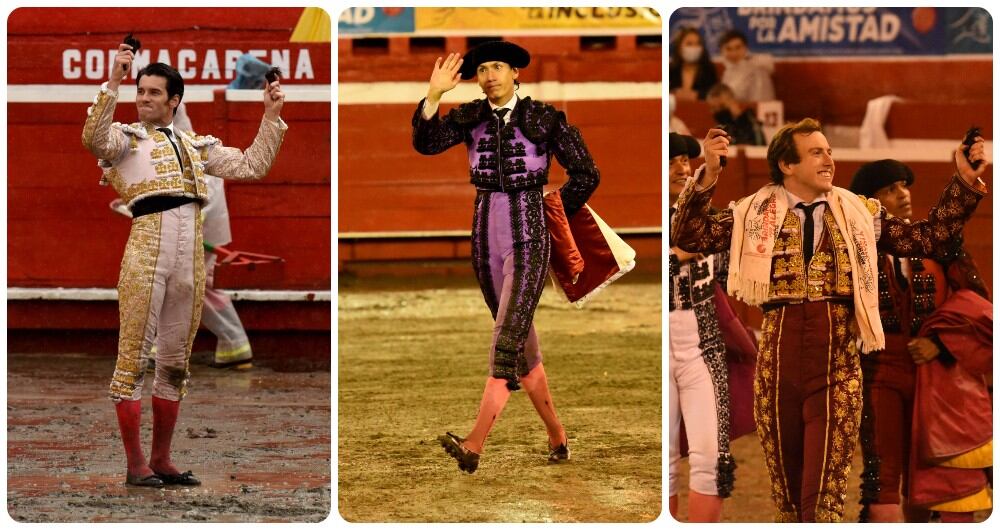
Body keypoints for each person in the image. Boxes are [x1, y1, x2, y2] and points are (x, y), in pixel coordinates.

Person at [670, 119, 988, 521]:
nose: (828, 160)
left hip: (837, 366)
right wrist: (709, 176)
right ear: (788, 165)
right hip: (776, 368)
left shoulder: (859, 213)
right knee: (788, 500)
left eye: (830, 152)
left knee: (822, 502)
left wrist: (961, 181)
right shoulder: (752, 212)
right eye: (817, 152)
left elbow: (930, 239)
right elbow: (688, 236)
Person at [82, 41, 286, 487]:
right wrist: (114, 80)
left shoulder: (197, 146)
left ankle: (162, 460)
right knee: (133, 359)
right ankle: (136, 465)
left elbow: (252, 166)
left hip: (189, 256)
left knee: (175, 361)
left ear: (175, 100)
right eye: (141, 91)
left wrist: (270, 115)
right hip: (146, 252)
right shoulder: (125, 140)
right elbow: (92, 137)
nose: (144, 99)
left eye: (154, 93)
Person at [411, 40, 600, 473]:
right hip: (484, 232)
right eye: (482, 70)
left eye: (498, 67)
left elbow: (587, 173)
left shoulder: (545, 118)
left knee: (507, 338)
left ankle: (474, 444)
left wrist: (551, 211)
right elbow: (426, 144)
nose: (490, 75)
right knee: (522, 346)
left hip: (529, 232)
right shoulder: (469, 116)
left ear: (516, 74)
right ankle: (558, 436)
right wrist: (434, 96)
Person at [848, 160, 992, 522]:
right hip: (877, 368)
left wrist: (941, 346)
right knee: (881, 471)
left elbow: (977, 308)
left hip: (935, 374)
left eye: (904, 186)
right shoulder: (852, 251)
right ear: (870, 202)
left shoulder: (935, 244)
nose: (903, 194)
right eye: (890, 189)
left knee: (929, 472)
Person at [668, 132, 743, 522]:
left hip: (704, 347)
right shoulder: (654, 219)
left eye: (686, 160)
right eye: (673, 161)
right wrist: (672, 256)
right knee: (664, 463)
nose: (682, 167)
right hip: (660, 351)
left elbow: (736, 277)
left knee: (711, 459)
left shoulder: (713, 223)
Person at [718, 30, 775, 103]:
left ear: (745, 48)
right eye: (728, 49)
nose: (734, 53)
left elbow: (760, 103)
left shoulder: (758, 70)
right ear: (721, 51)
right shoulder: (728, 72)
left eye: (738, 48)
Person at [670, 28, 718, 101]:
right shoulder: (671, 69)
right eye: (689, 44)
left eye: (698, 44)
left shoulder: (708, 69)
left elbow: (715, 95)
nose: (694, 47)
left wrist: (697, 95)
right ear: (679, 47)